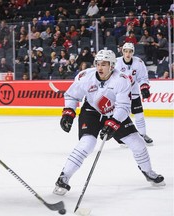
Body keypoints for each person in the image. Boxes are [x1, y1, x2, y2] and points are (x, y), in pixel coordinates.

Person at [53, 50, 165, 196]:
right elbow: (71, 95)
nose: (100, 67)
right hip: (91, 112)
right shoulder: (85, 76)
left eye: (104, 64)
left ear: (112, 66)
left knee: (137, 142)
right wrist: (68, 113)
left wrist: (113, 123)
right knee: (87, 143)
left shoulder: (122, 79)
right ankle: (63, 177)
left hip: (114, 113)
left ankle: (148, 172)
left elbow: (124, 106)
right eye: (98, 64)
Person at [115, 43, 153, 145]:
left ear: (133, 52)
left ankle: (143, 135)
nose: (128, 54)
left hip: (134, 93)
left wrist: (144, 87)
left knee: (139, 115)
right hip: (121, 95)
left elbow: (143, 77)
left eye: (130, 51)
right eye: (125, 51)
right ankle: (121, 136)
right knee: (120, 115)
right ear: (122, 51)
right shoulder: (116, 63)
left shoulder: (139, 62)